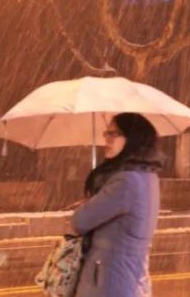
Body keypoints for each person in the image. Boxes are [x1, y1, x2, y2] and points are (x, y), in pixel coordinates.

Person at [70, 113, 162, 297]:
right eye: (106, 133)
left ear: (133, 138)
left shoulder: (125, 181)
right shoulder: (147, 176)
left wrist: (88, 203)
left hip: (109, 280)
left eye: (115, 134)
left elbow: (80, 221)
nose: (107, 139)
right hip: (127, 277)